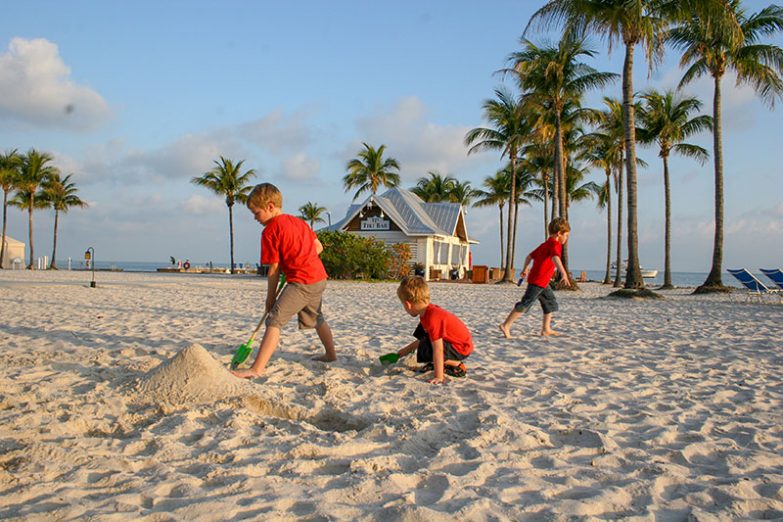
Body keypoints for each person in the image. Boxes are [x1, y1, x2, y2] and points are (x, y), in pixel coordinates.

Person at [231, 183, 336, 379]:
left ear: (270, 207)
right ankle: (331, 355)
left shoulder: (270, 231)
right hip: (319, 278)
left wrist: (270, 299)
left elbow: (273, 270)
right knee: (317, 317)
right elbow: (318, 247)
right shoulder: (299, 222)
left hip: (301, 282)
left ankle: (257, 369)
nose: (255, 218)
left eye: (256, 213)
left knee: (274, 320)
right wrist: (301, 260)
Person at [394, 275, 474, 385]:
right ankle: (438, 364)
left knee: (427, 348)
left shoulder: (433, 317)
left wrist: (438, 377)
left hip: (461, 347)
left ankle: (456, 364)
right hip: (454, 343)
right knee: (424, 340)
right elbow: (420, 340)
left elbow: (438, 349)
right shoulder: (425, 314)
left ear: (408, 305)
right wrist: (400, 354)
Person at [499, 217, 571, 338]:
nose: (567, 238)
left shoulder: (545, 244)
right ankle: (506, 325)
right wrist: (563, 273)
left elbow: (529, 256)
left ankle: (546, 329)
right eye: (566, 235)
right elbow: (555, 258)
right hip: (538, 281)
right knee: (525, 304)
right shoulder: (555, 244)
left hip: (542, 281)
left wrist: (525, 269)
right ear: (559, 234)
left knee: (550, 303)